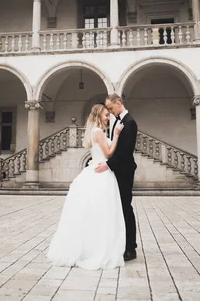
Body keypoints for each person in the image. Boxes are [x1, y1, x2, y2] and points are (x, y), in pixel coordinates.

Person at [46, 104, 126, 270]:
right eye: (105, 115)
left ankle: (91, 246)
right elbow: (109, 153)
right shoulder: (98, 131)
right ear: (98, 116)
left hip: (95, 169)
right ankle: (97, 249)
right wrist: (117, 135)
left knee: (94, 212)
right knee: (102, 211)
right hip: (101, 173)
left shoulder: (94, 131)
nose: (107, 117)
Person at [96, 93, 138, 262]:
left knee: (126, 207)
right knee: (119, 208)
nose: (111, 112)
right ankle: (122, 244)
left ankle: (131, 248)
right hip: (117, 171)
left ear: (119, 103)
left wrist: (109, 164)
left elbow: (126, 151)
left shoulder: (130, 122)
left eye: (112, 108)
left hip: (125, 171)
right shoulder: (120, 121)